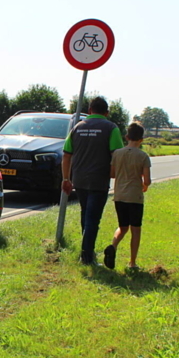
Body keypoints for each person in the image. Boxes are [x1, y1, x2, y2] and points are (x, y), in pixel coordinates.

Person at [61, 96, 124, 264]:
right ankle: (87, 256)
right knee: (92, 219)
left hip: (79, 179)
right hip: (99, 180)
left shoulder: (77, 128)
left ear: (89, 111)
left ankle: (86, 251)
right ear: (107, 112)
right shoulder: (111, 128)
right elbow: (117, 156)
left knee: (86, 215)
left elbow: (66, 155)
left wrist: (66, 178)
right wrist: (115, 174)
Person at [103, 121, 151, 270]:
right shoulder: (143, 156)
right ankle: (132, 262)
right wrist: (144, 185)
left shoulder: (117, 153)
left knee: (122, 226)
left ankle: (113, 245)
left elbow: (111, 174)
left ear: (126, 137)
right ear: (141, 139)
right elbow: (147, 180)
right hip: (135, 197)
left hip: (119, 196)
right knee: (135, 229)